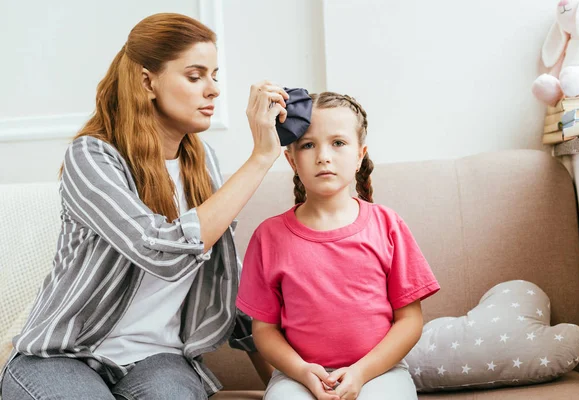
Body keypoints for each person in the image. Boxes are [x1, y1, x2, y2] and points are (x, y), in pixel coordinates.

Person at [0, 12, 287, 400]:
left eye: (214, 75)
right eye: (194, 75)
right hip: (64, 354)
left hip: (157, 358)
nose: (214, 90)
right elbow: (160, 252)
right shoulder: (92, 156)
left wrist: (282, 386)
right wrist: (260, 158)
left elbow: (224, 276)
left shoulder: (203, 163)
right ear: (147, 82)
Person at [236, 92, 441, 400]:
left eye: (338, 143)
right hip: (296, 377)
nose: (323, 156)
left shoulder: (388, 225)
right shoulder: (268, 237)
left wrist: (361, 372)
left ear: (360, 154)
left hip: (378, 373)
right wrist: (302, 371)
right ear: (291, 159)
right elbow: (264, 330)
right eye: (308, 145)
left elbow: (410, 320)